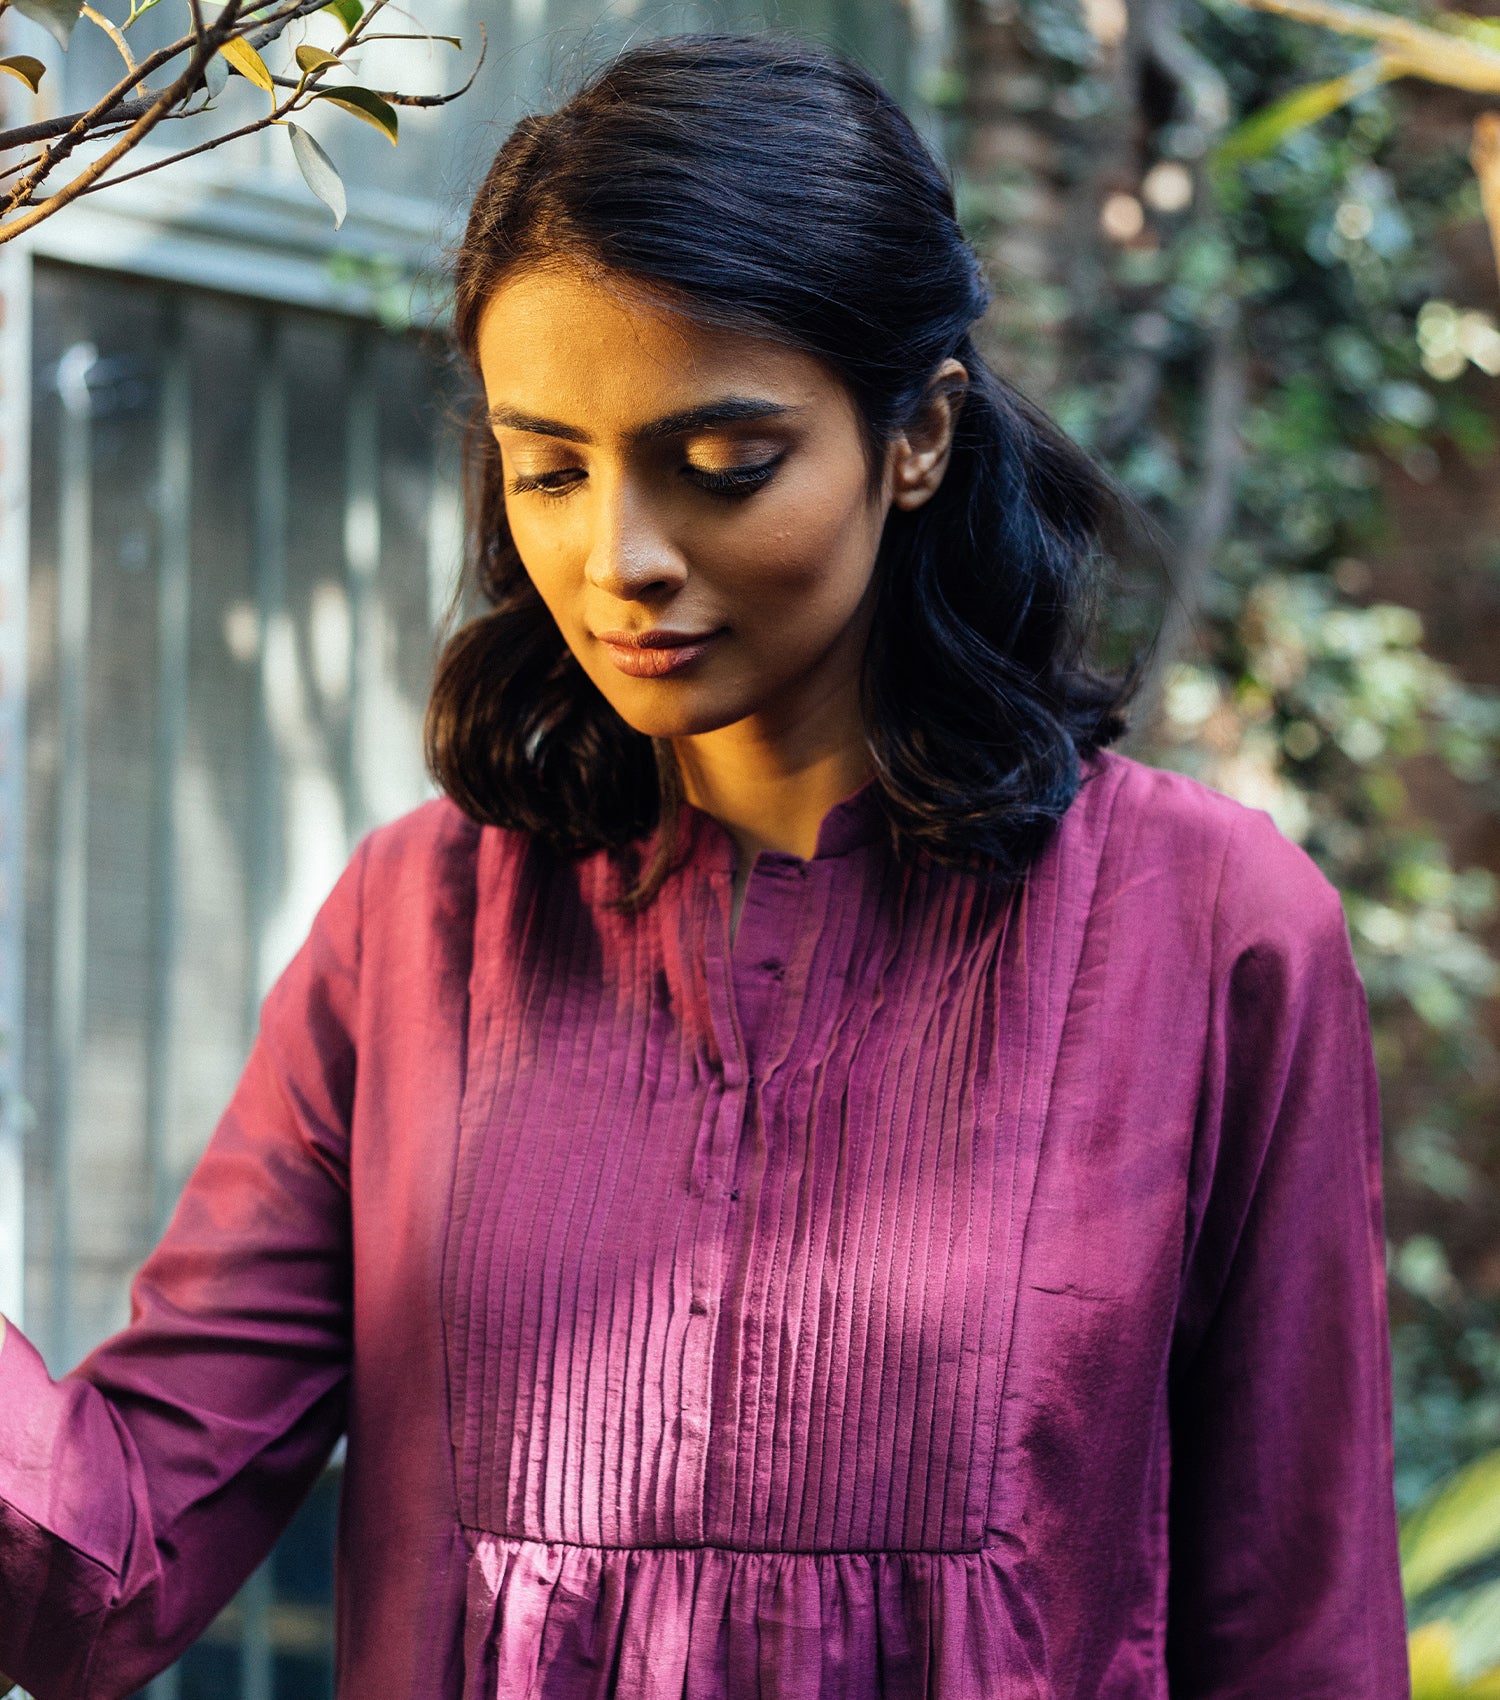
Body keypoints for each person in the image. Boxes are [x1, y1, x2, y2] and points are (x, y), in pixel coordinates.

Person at [0, 32, 1410, 1700]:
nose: (622, 560)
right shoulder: (413, 927)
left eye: (722, 463)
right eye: (550, 469)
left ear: (917, 437)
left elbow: (1303, 1634)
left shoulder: (1212, 929)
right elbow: (99, 1577)